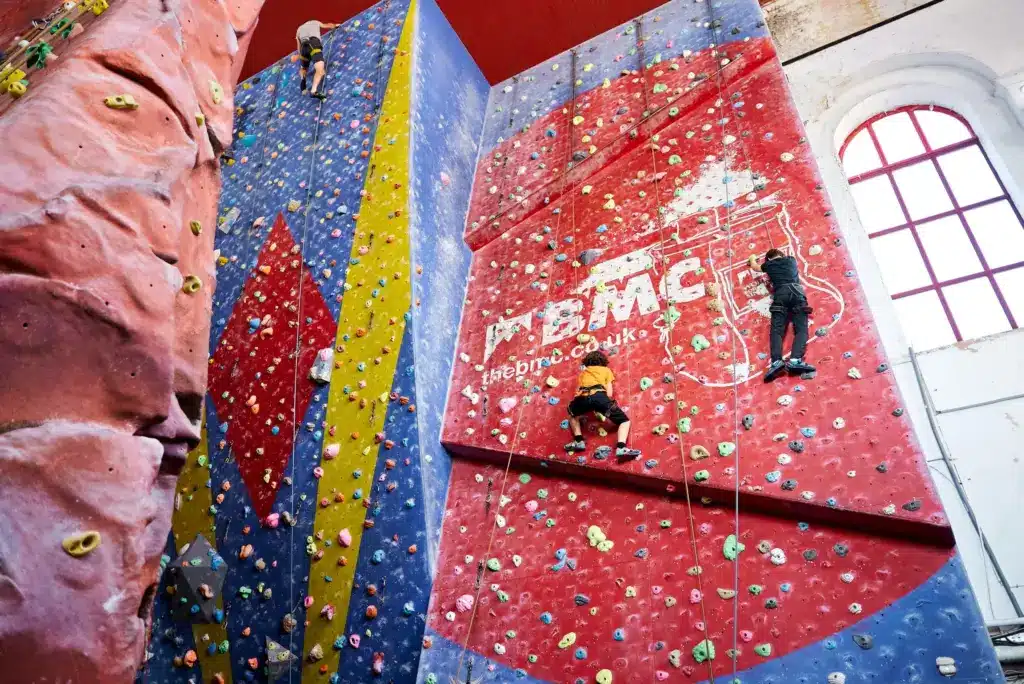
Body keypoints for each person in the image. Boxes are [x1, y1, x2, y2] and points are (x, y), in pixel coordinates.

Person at [748, 248, 816, 382]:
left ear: (768, 260)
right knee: (801, 329)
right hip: (796, 291)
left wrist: (752, 257)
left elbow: (755, 267)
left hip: (780, 294)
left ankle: (776, 362)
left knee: (777, 331)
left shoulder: (768, 265)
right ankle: (796, 360)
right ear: (782, 255)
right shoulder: (791, 260)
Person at [564, 351, 641, 459]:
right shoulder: (606, 370)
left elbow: (577, 392)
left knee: (572, 415)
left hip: (582, 398)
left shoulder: (583, 373)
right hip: (599, 397)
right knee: (624, 421)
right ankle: (621, 447)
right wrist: (600, 406)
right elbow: (609, 393)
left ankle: (578, 441)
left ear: (587, 362)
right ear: (603, 362)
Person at [295, 19, 338, 99]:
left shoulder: (299, 29)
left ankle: (303, 80)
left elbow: (298, 45)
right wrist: (335, 25)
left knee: (303, 68)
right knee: (320, 70)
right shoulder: (315, 22)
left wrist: (301, 57)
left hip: (303, 49)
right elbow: (328, 25)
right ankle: (313, 91)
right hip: (313, 44)